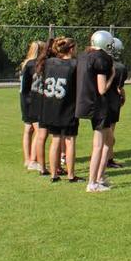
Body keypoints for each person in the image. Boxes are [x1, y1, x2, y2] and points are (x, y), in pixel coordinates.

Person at [75, 30, 118, 193]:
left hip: (84, 101)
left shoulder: (84, 56)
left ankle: (100, 177)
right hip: (98, 105)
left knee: (109, 141)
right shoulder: (102, 58)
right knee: (99, 145)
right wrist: (112, 75)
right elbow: (101, 89)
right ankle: (92, 182)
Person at [37, 37, 81, 183]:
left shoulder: (49, 62)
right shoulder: (75, 65)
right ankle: (71, 175)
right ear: (71, 49)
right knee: (70, 141)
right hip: (68, 107)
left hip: (51, 106)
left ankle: (53, 174)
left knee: (55, 140)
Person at [19, 40, 45, 171]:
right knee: (39, 131)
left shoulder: (26, 64)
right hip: (32, 100)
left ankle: (27, 159)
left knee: (28, 130)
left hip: (24, 99)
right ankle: (33, 160)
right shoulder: (33, 64)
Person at [105, 37, 128, 169]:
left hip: (98, 101)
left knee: (101, 132)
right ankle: (108, 158)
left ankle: (107, 157)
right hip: (112, 101)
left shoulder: (96, 62)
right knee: (110, 132)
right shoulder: (119, 67)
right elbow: (119, 88)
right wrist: (123, 97)